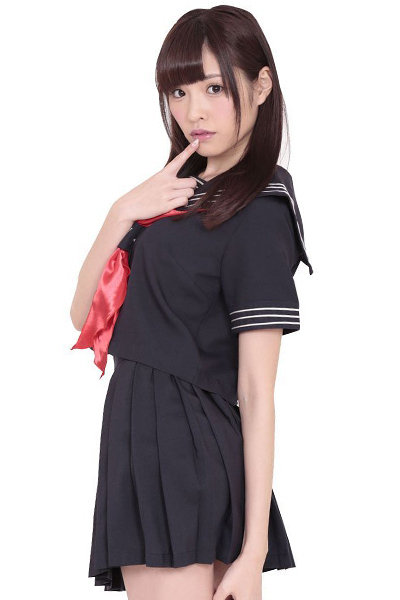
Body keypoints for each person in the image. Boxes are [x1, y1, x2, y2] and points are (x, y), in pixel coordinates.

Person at [70, 6, 313, 600]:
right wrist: (120, 212)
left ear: (261, 86)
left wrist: (254, 549)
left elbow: (256, 389)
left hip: (185, 453)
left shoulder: (259, 211)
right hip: (142, 445)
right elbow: (86, 318)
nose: (193, 111)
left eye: (214, 88)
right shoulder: (174, 197)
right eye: (178, 91)